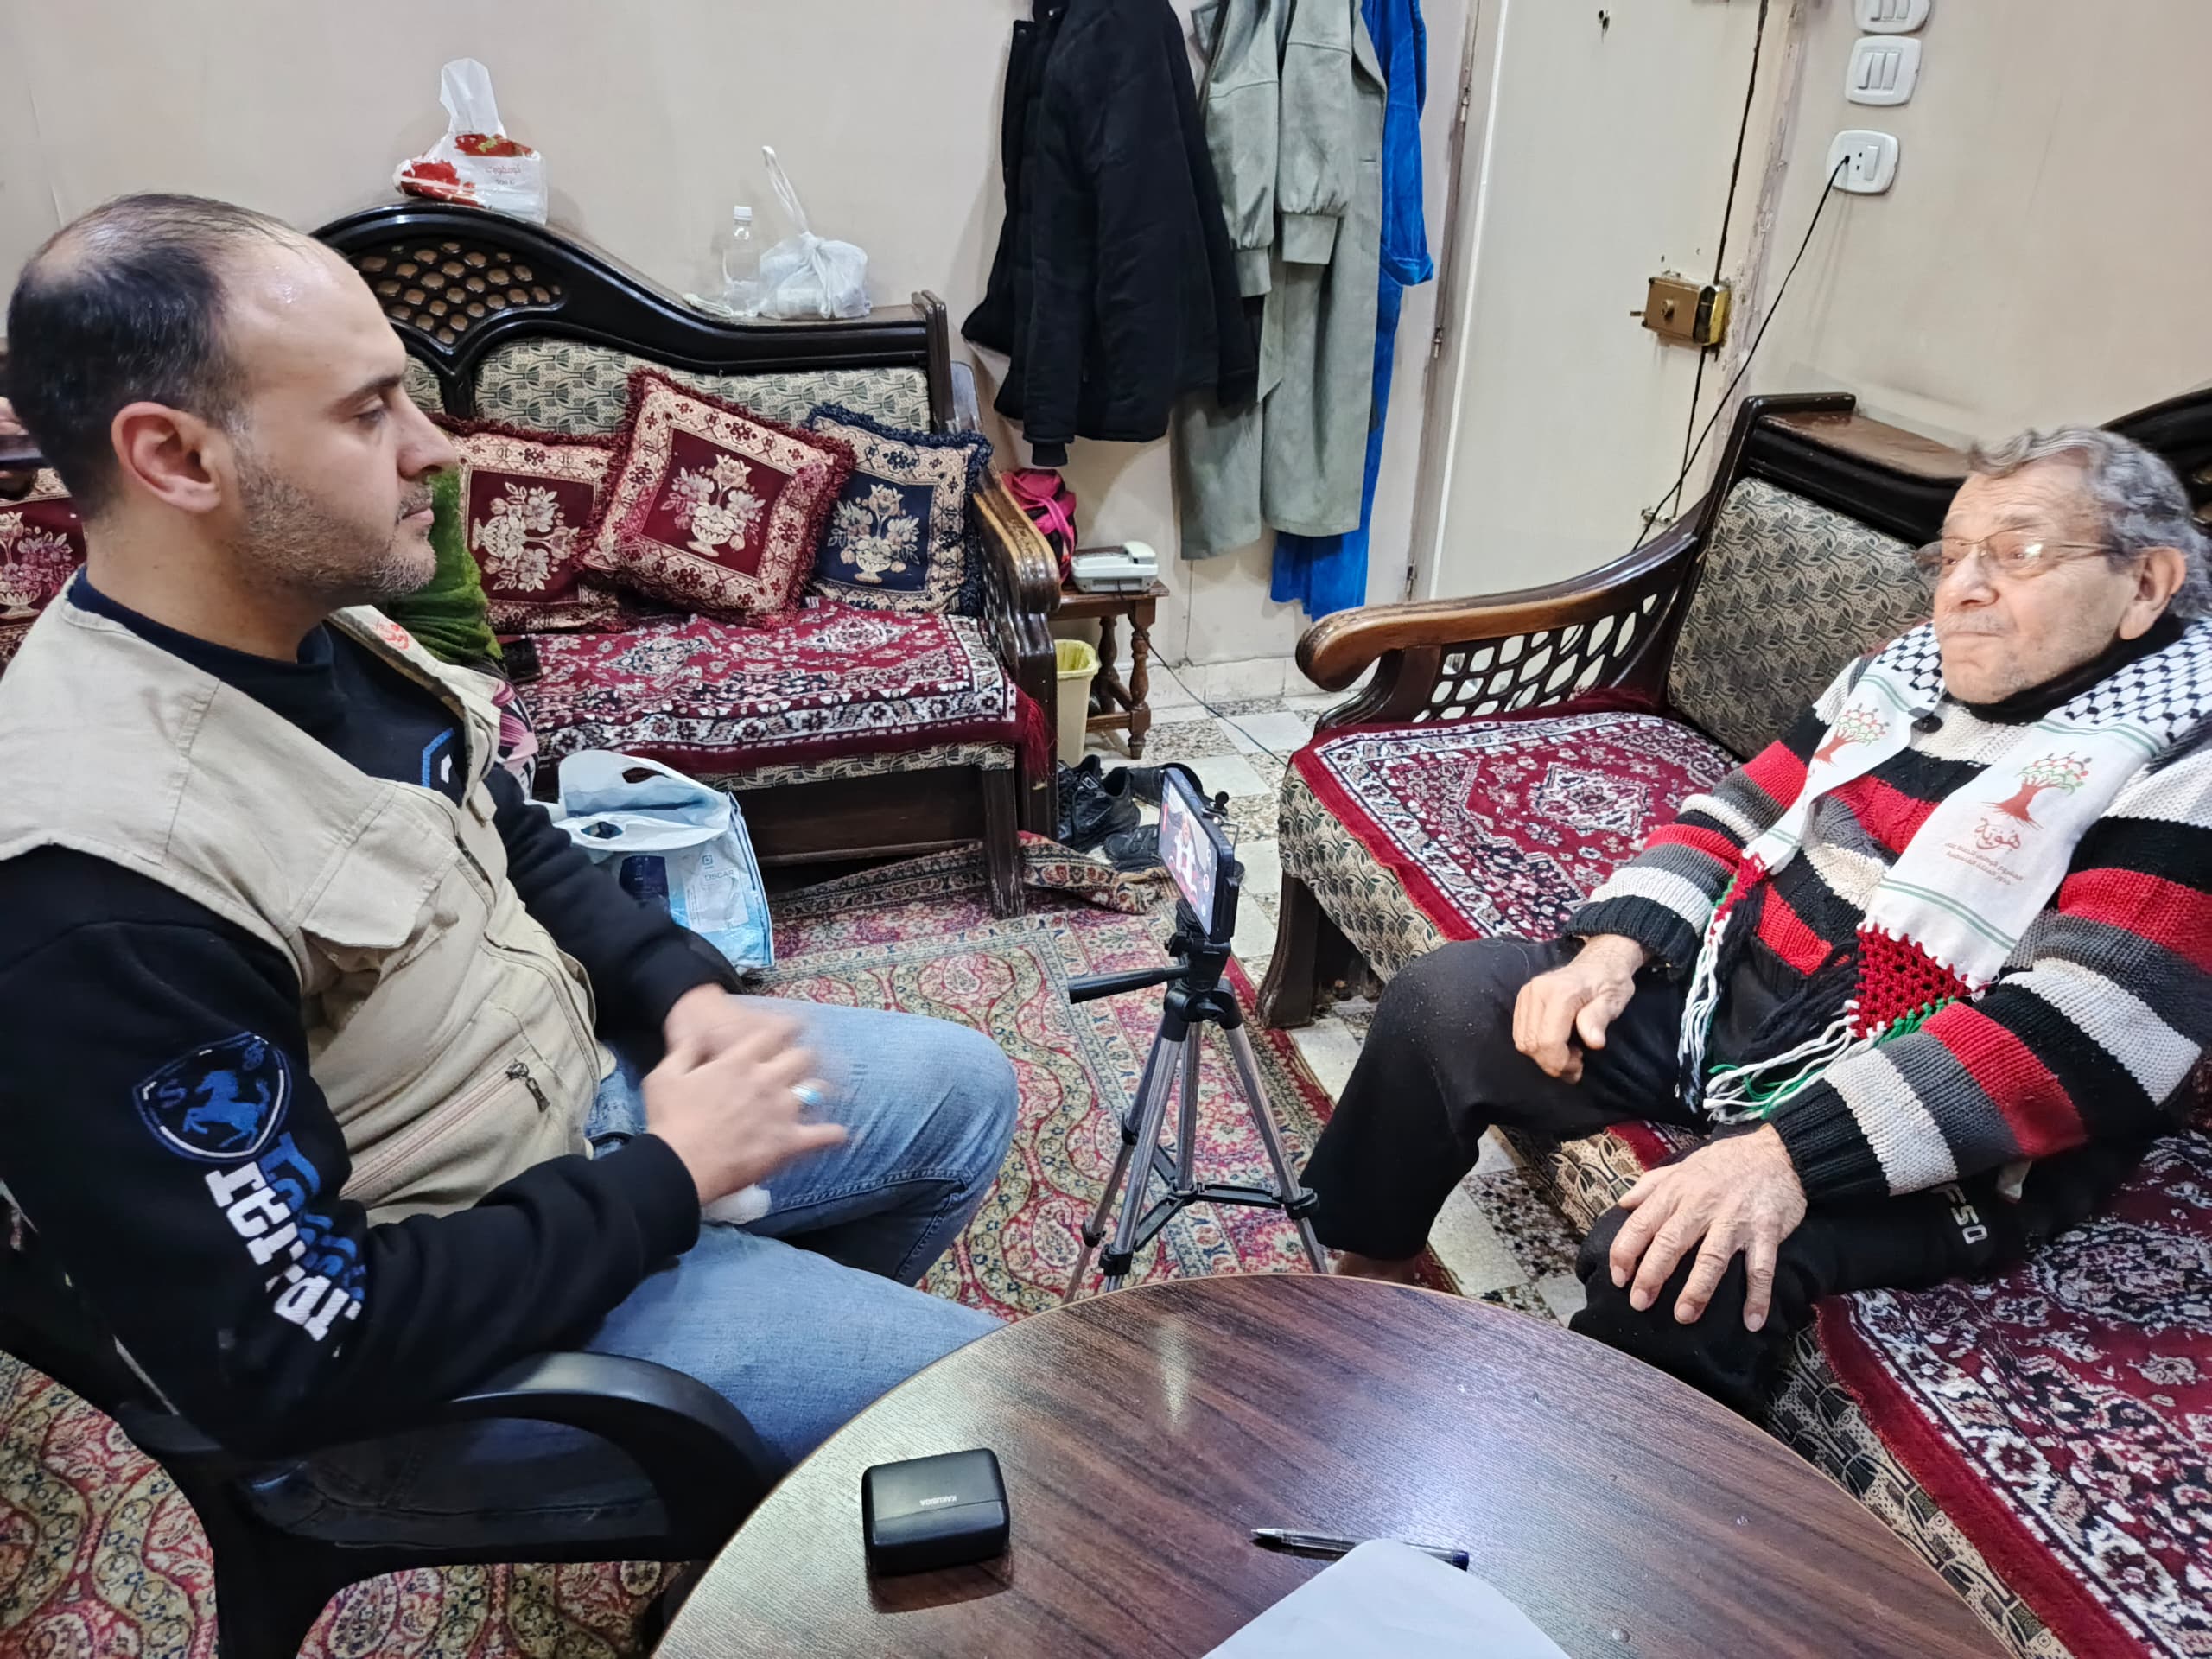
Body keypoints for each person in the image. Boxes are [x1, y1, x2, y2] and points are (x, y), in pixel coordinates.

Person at [0, 194, 1017, 1542]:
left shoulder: (308, 619)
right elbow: (294, 1349)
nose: (437, 448)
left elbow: (503, 825)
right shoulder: (93, 888)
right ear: (176, 457)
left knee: (962, 1095)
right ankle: (755, 1475)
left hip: (560, 1118)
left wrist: (681, 994)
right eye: (368, 413)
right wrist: (666, 1184)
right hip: (417, 1362)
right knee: (994, 1420)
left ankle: (752, 1491)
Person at [1301, 424, 2212, 1414]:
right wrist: (1612, 950)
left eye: (2017, 553)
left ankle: (1611, 1483)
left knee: (1678, 1263)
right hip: (1741, 1013)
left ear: (2146, 584)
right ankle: (1371, 1273)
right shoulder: (1904, 668)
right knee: (1447, 1002)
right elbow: (1745, 808)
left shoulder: (2183, 757)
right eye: (1950, 556)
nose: (1961, 589)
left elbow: (2086, 1028)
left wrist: (1786, 1152)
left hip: (1962, 1130)